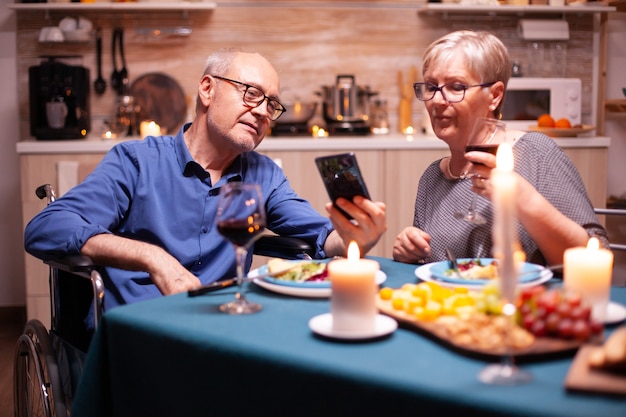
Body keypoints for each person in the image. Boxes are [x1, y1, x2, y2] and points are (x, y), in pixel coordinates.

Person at [25, 48, 387, 310]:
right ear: (207, 89)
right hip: (138, 331)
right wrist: (153, 257)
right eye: (251, 93)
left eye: (271, 104)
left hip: (223, 327)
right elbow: (46, 227)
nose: (262, 111)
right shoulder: (136, 162)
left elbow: (325, 238)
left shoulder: (264, 176)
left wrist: (356, 236)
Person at [393, 30, 607, 267]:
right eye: (432, 86)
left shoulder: (536, 153)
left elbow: (595, 255)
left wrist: (522, 199)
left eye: (456, 87)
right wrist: (409, 252)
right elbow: (433, 269)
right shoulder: (433, 178)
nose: (437, 100)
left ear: (494, 96)